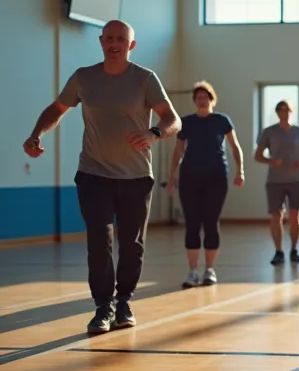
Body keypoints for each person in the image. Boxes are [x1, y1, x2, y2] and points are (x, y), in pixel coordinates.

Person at [22, 20, 179, 334]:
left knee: (132, 244)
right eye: (109, 38)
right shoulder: (84, 77)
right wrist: (36, 134)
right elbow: (57, 108)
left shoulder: (145, 79)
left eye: (121, 39)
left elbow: (172, 119)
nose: (114, 43)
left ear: (131, 45)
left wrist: (154, 133)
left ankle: (124, 302)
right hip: (94, 174)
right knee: (99, 240)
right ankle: (103, 307)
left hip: (136, 176)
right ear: (101, 41)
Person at [167, 81, 244, 288]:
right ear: (195, 101)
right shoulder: (187, 122)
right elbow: (178, 151)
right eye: (198, 97)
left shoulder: (222, 120)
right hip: (190, 178)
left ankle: (209, 270)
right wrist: (172, 177)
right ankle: (192, 271)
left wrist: (240, 171)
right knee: (192, 224)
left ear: (212, 99)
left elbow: (235, 146)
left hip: (216, 177)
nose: (202, 100)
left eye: (205, 97)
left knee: (211, 223)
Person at [255, 100, 299, 265]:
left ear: (291, 112)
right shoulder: (269, 132)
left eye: (286, 109)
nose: (283, 112)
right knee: (276, 215)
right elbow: (257, 155)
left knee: (294, 215)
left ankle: (294, 249)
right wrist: (271, 161)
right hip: (275, 180)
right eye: (280, 110)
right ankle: (278, 251)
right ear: (277, 112)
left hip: (296, 179)